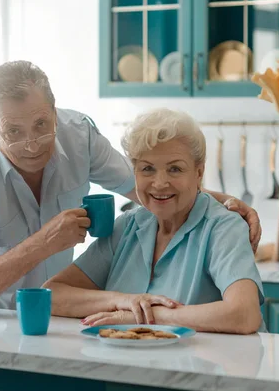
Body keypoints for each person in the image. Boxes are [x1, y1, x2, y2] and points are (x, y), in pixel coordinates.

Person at [0, 60, 262, 317]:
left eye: (41, 125)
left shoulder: (79, 136)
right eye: (14, 131)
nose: (32, 144)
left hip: (57, 330)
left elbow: (145, 187)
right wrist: (45, 243)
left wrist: (225, 202)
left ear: (54, 112)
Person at [43, 108, 265, 334]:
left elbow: (244, 315)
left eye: (175, 169)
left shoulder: (223, 227)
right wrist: (123, 301)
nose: (159, 183)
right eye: (147, 168)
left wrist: (149, 316)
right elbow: (51, 295)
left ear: (199, 173)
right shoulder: (126, 226)